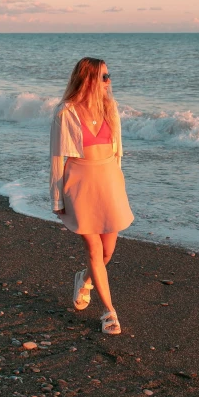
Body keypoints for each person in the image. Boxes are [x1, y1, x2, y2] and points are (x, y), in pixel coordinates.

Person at [50, 57, 134, 335]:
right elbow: (56, 158)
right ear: (88, 79)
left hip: (110, 183)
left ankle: (84, 280)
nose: (109, 82)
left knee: (108, 251)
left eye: (109, 76)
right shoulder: (66, 112)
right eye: (104, 76)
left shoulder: (111, 108)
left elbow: (117, 153)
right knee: (94, 250)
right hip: (80, 184)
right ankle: (109, 312)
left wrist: (120, 185)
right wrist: (57, 198)